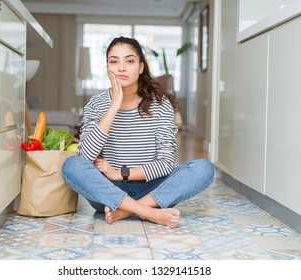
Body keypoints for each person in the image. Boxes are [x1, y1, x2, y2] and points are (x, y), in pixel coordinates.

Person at [62, 36, 214, 228]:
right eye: (114, 61)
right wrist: (114, 106)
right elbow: (86, 156)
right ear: (107, 67)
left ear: (141, 67)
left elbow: (166, 164)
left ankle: (125, 211)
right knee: (71, 166)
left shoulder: (160, 104)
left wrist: (119, 173)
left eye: (130, 61)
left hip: (153, 188)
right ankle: (147, 212)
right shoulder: (97, 104)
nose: (121, 68)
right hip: (109, 191)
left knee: (204, 169)